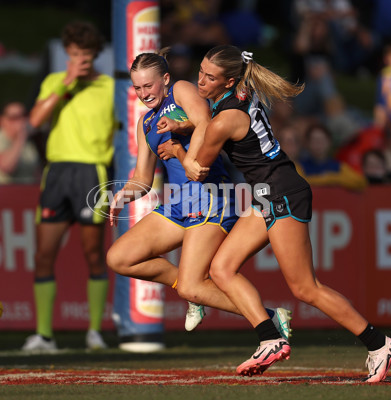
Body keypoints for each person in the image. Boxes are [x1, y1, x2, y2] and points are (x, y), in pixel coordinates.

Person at [182, 45, 391, 381]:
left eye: (210, 77)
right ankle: (269, 338)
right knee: (222, 268)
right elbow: (209, 120)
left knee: (305, 288)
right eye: (200, 72)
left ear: (228, 82)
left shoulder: (225, 118)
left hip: (281, 193)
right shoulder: (242, 90)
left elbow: (198, 169)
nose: (201, 81)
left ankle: (379, 343)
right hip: (267, 193)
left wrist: (174, 148)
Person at [107, 51, 292, 338]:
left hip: (208, 197)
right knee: (120, 258)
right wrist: (121, 196)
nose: (143, 93)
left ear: (165, 79)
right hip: (178, 203)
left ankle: (265, 322)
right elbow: (142, 179)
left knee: (194, 284)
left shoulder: (180, 90)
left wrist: (184, 148)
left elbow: (206, 121)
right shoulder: (144, 123)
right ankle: (210, 298)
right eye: (137, 88)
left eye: (149, 86)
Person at [21, 21, 114, 352]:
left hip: (92, 173)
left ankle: (94, 331)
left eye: (85, 55)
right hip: (57, 173)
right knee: (44, 253)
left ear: (95, 55)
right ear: (67, 55)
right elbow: (34, 121)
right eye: (74, 54)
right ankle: (44, 334)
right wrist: (66, 82)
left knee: (93, 254)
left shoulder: (110, 87)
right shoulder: (54, 81)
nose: (79, 60)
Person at [0, 101, 40, 184]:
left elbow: (37, 173)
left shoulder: (27, 143)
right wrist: (22, 136)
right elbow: (7, 167)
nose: (21, 120)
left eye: (24, 115)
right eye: (14, 117)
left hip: (25, 193)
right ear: (1, 120)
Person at [299, 123, 367, 191]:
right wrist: (331, 179)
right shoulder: (299, 166)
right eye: (314, 140)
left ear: (329, 142)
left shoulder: (339, 166)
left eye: (322, 140)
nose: (318, 143)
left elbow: (360, 182)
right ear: (307, 143)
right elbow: (300, 184)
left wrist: (332, 178)